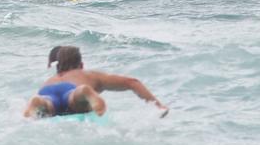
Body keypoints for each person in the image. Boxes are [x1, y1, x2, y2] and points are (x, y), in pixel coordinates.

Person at [24, 45, 167, 118]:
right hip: (72, 89)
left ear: (58, 66)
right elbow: (132, 82)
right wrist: (159, 106)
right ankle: (83, 92)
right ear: (81, 65)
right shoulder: (86, 75)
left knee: (47, 104)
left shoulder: (52, 79)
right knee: (74, 97)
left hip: (46, 91)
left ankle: (39, 102)